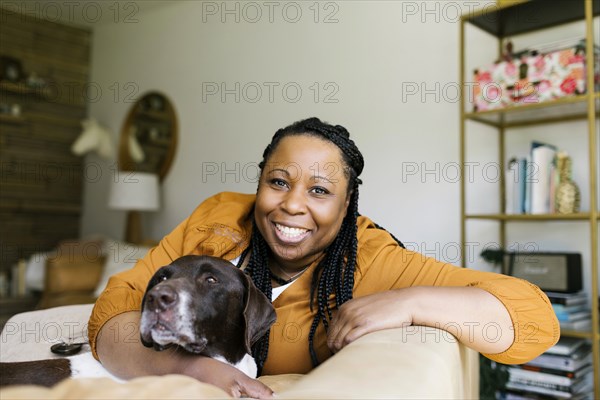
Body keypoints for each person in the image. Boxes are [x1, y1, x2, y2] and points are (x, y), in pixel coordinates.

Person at [89, 117, 559, 398]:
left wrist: (411, 302)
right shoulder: (218, 218)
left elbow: (534, 319)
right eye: (278, 182)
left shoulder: (373, 259)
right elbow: (116, 307)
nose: (292, 205)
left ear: (347, 204)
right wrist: (190, 368)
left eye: (319, 191)